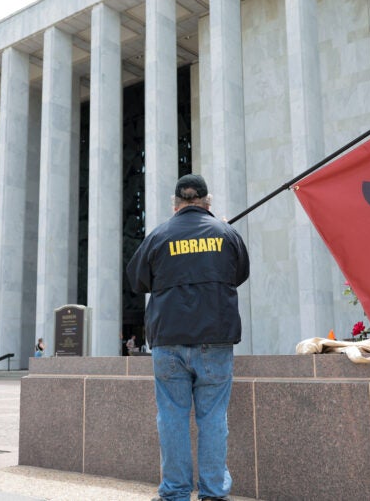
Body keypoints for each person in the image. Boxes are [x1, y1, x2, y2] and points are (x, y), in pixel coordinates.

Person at [126, 174, 250, 501]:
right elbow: (239, 274)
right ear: (208, 203)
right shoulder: (227, 234)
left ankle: (175, 493)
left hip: (169, 341)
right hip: (215, 339)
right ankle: (213, 494)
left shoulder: (159, 236)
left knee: (172, 418)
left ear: (175, 204)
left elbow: (137, 280)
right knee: (213, 419)